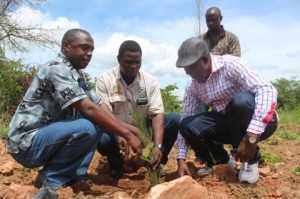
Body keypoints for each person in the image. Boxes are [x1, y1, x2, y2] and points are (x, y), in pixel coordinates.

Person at [7, 29, 143, 199]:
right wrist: (127, 134)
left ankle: (74, 175)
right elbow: (88, 108)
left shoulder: (77, 75)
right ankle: (50, 180)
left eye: (91, 50)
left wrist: (131, 130)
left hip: (46, 136)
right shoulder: (56, 68)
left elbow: (99, 107)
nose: (89, 54)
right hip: (26, 142)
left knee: (98, 122)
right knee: (87, 125)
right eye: (84, 48)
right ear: (66, 47)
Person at [175, 37, 278, 184]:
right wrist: (181, 157)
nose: (186, 72)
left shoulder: (230, 65)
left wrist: (252, 136)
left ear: (205, 60)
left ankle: (250, 161)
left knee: (240, 102)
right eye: (184, 68)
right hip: (228, 125)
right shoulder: (193, 87)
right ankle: (220, 161)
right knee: (187, 125)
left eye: (190, 67)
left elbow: (267, 89)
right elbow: (186, 116)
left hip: (258, 124)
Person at [95, 40, 181, 176]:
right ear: (118, 59)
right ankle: (118, 164)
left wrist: (157, 146)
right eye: (128, 62)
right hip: (116, 132)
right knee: (102, 138)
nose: (134, 66)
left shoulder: (150, 82)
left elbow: (157, 114)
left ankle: (153, 162)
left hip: (144, 133)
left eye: (138, 62)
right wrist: (122, 134)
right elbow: (105, 116)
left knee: (174, 119)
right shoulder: (105, 80)